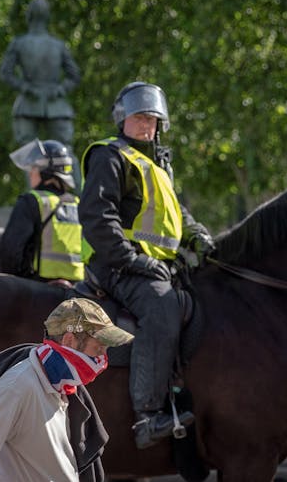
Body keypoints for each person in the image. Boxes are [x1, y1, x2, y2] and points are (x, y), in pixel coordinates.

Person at [78, 81, 215, 449]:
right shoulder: (110, 155)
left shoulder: (157, 165)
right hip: (119, 267)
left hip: (158, 266)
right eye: (139, 117)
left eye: (153, 119)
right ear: (122, 119)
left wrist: (198, 237)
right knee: (162, 307)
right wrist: (131, 259)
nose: (146, 125)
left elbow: (176, 214)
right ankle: (148, 416)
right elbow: (96, 217)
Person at [0, 297, 134, 482]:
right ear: (69, 340)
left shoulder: (66, 386)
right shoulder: (20, 385)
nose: (103, 358)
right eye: (99, 348)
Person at [0, 0, 81, 149]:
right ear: (48, 17)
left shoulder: (19, 43)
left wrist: (25, 88)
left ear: (28, 16)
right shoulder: (58, 45)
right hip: (54, 103)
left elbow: (5, 74)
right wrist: (60, 90)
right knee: (64, 151)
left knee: (29, 153)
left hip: (30, 103)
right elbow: (74, 76)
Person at [1, 138, 84, 283]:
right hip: (77, 289)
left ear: (45, 173)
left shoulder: (32, 201)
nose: (31, 173)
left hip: (38, 288)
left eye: (34, 168)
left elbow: (10, 253)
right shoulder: (78, 205)